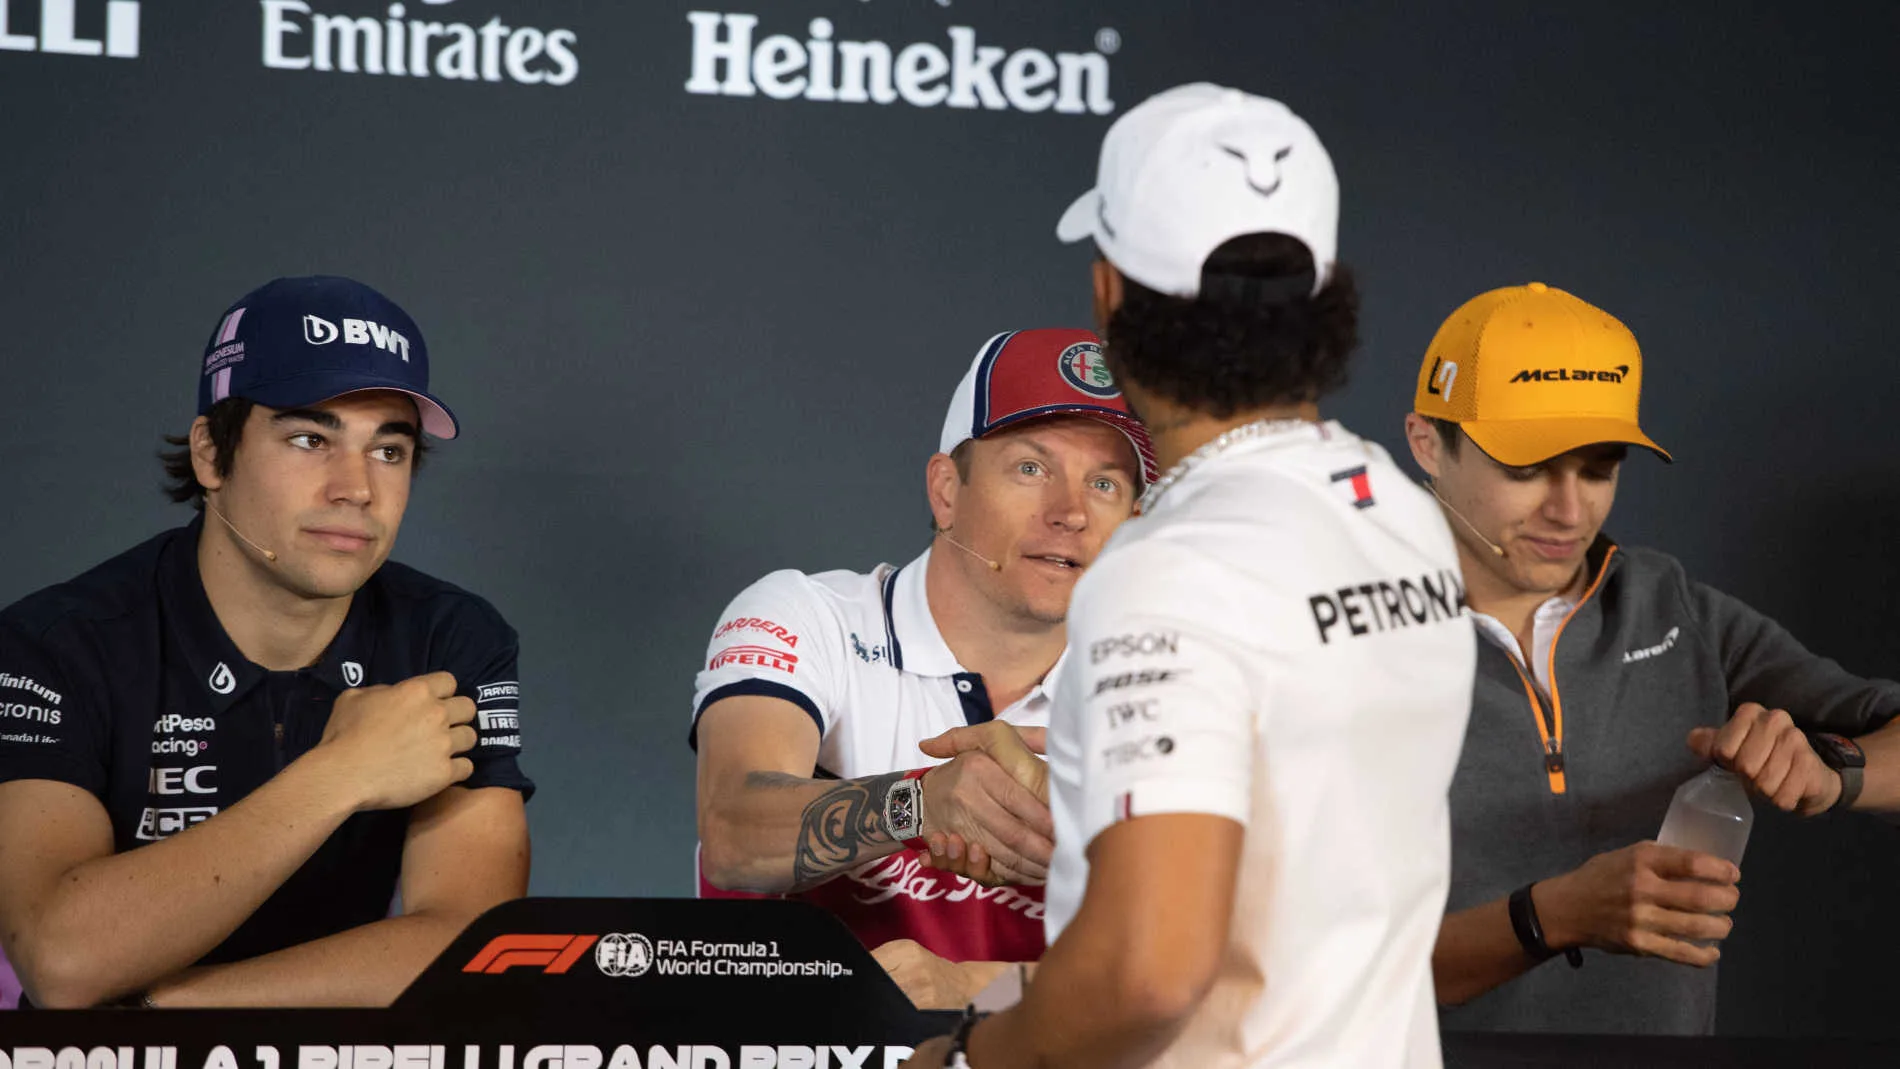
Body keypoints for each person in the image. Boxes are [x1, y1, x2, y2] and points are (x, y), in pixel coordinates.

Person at [910, 83, 1476, 1068]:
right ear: (1326, 295)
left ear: (1108, 297)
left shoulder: (1167, 569)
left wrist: (967, 1058)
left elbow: (1149, 969)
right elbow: (1297, 844)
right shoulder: (1402, 512)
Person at [0, 276, 533, 1008]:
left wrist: (182, 1003)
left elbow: (473, 940)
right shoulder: (54, 644)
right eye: (310, 439)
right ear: (212, 456)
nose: (357, 488)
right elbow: (61, 960)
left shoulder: (450, 636)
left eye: (389, 450)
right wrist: (343, 772)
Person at [1409, 281, 1900, 1033]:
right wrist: (1548, 918)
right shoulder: (1344, 634)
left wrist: (1832, 770)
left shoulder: (1670, 605)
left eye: (1599, 466)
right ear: (1426, 444)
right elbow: (1309, 969)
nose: (1570, 510)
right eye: (1527, 465)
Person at [691, 328, 1153, 1010]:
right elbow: (730, 832)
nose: (1071, 513)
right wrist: (921, 801)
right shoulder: (808, 616)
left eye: (1105, 482)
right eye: (1031, 468)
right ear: (946, 490)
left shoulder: (1160, 683)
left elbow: (1214, 974)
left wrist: (972, 989)